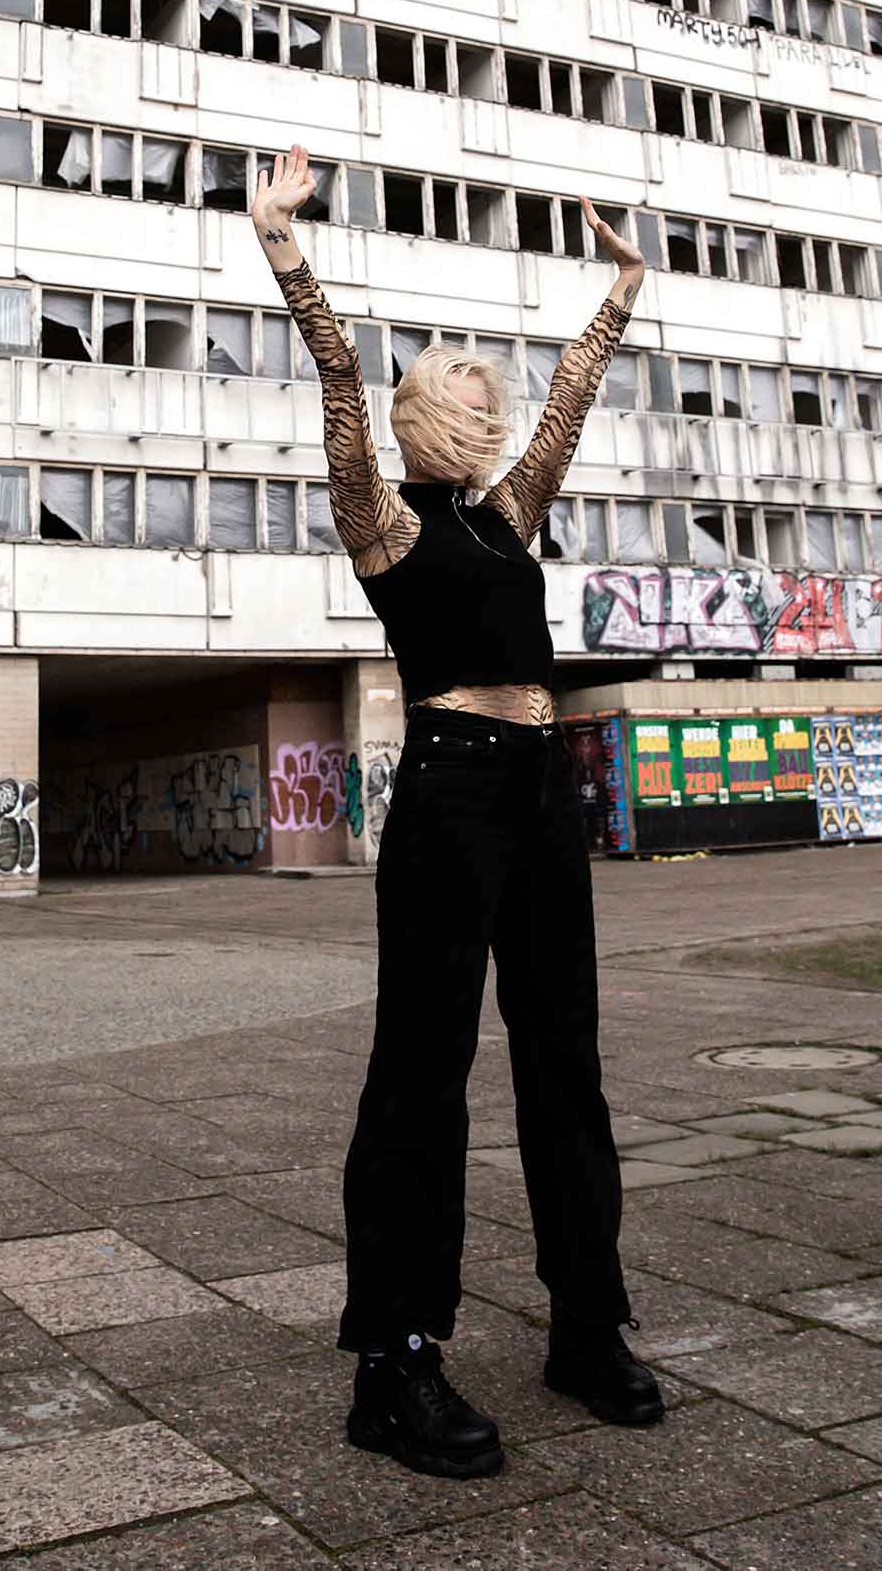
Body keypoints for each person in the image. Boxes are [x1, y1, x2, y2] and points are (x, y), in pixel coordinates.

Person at [254, 145, 664, 1480]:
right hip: (447, 793)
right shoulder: (382, 521)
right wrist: (283, 245)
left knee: (566, 1066)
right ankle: (394, 1361)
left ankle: (585, 1325)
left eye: (487, 397)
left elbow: (570, 403)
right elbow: (332, 378)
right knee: (421, 1076)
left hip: (544, 796)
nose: (484, 411)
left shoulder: (506, 515)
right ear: (428, 411)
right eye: (463, 394)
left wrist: (619, 288)